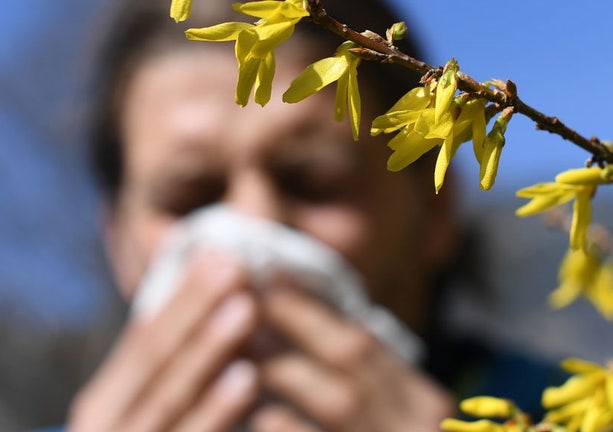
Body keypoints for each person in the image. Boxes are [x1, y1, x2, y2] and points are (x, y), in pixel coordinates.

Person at [56, 0, 567, 431]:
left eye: (315, 182)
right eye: (190, 198)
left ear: (435, 207)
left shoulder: (600, 412)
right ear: (118, 241)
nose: (255, 225)